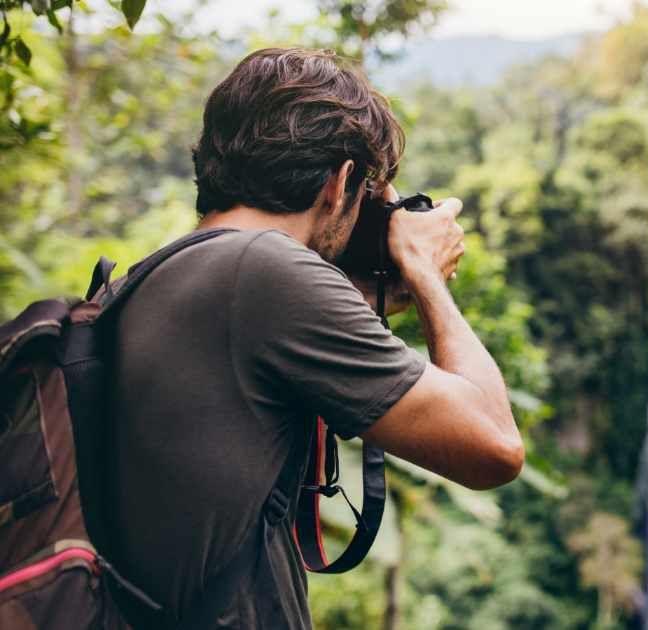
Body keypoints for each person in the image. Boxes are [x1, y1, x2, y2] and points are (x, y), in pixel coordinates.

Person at [105, 47, 523, 628]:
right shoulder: (265, 272)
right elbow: (494, 448)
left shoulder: (158, 275)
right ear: (340, 180)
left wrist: (374, 286)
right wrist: (424, 269)